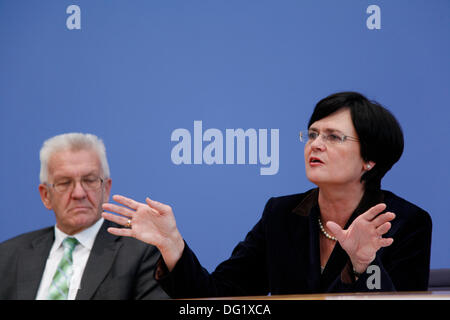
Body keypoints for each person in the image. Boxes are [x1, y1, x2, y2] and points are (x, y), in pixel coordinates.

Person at [102, 92, 432, 297]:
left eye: (333, 137)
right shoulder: (281, 214)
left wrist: (362, 265)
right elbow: (221, 298)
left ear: (369, 160)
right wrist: (174, 247)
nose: (315, 144)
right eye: (313, 134)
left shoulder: (405, 222)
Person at [0, 133, 169, 300]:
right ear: (46, 196)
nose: (79, 193)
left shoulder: (141, 252)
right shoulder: (7, 255)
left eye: (89, 180)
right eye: (64, 183)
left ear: (106, 189)